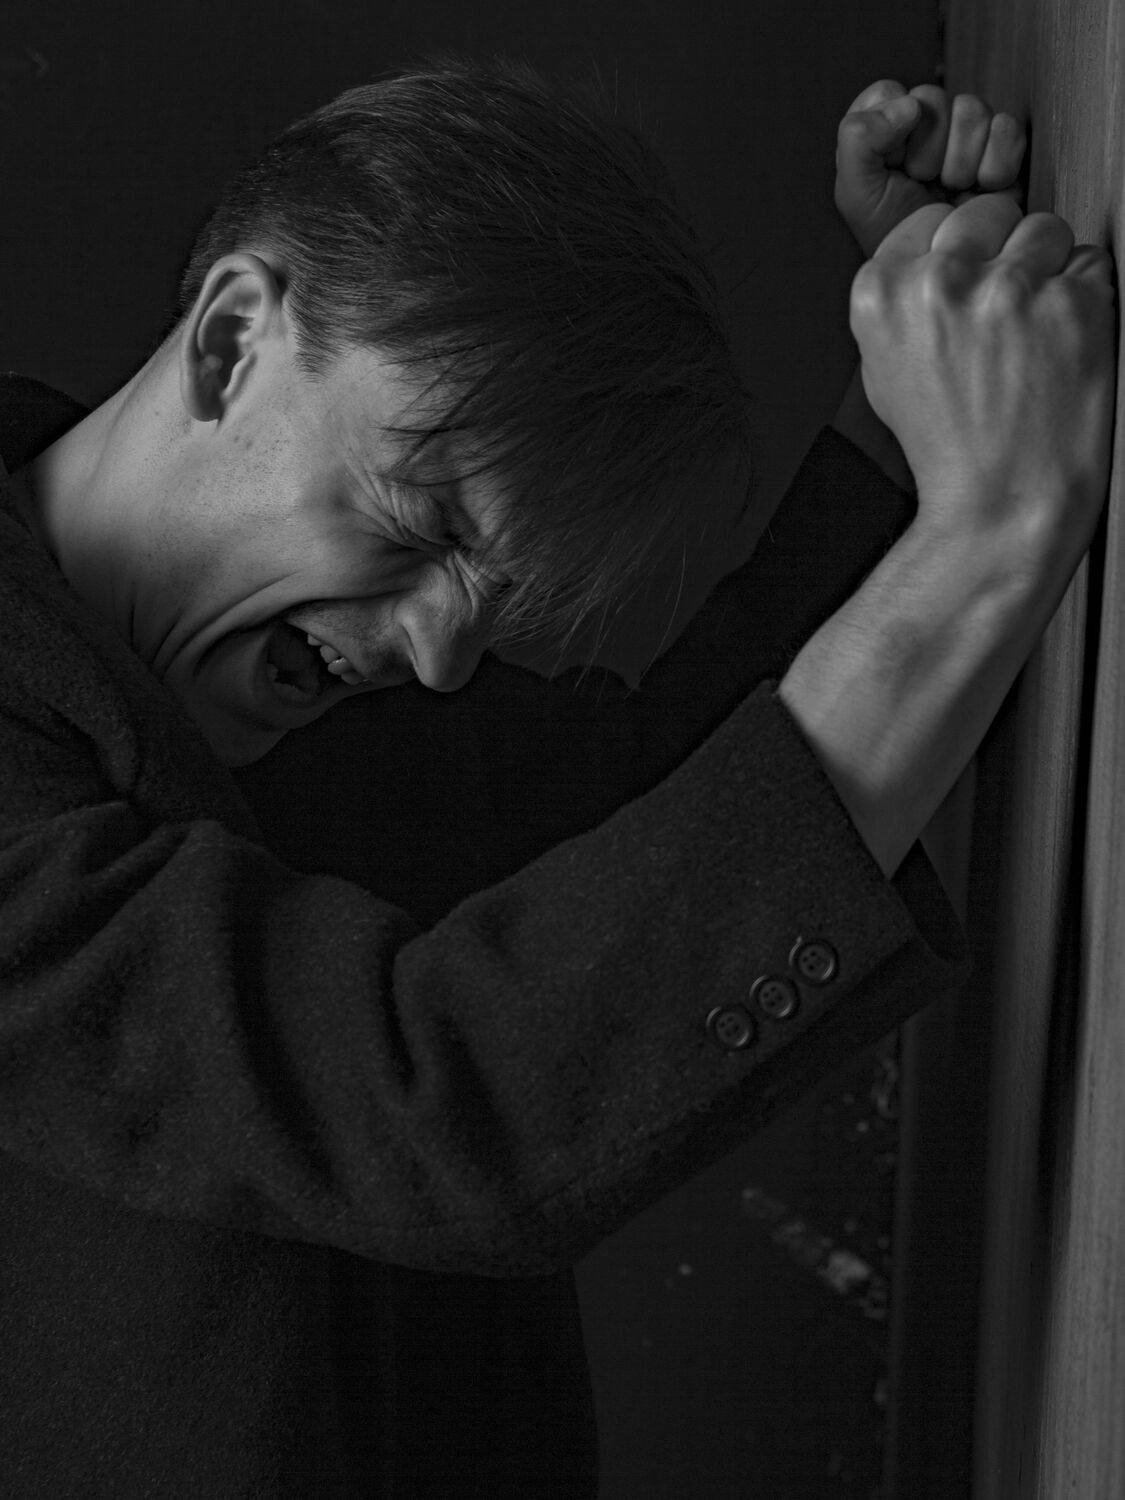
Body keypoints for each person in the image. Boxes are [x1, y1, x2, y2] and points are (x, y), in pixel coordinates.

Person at [0, 56, 1114, 1496]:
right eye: (421, 522)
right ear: (230, 341)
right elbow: (446, 1097)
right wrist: (990, 537)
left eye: (496, 597)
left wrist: (922, 375)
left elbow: (644, 814)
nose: (440, 654)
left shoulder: (237, 667)